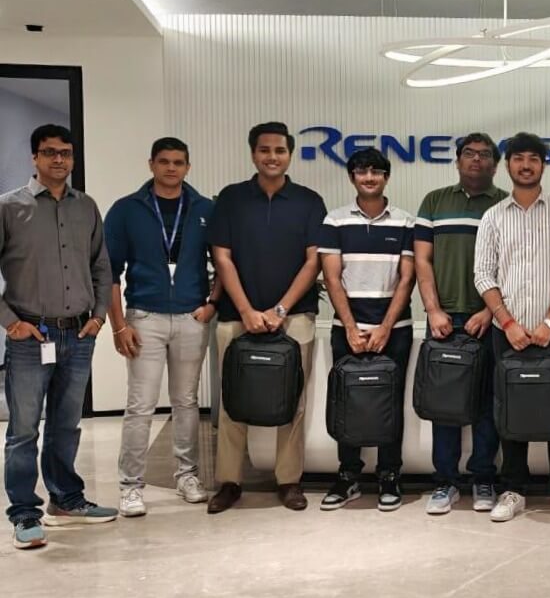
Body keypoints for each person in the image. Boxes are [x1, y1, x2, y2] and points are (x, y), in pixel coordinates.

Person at [1, 124, 117, 550]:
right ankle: (24, 513)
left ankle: (66, 500)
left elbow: (101, 266)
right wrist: (10, 322)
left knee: (66, 425)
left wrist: (99, 316)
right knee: (24, 430)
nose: (58, 160)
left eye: (65, 153)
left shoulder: (86, 206)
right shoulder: (9, 208)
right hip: (30, 337)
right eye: (49, 152)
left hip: (78, 335)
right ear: (34, 157)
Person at [206, 121, 327, 513]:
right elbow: (221, 257)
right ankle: (229, 481)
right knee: (231, 399)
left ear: (289, 154)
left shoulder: (309, 201)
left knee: (293, 399)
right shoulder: (231, 198)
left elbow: (314, 261)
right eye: (264, 150)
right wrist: (246, 310)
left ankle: (289, 480)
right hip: (235, 317)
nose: (272, 157)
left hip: (294, 317)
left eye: (279, 150)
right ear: (253, 153)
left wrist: (280, 309)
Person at [473, 132, 550, 524]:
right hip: (507, 332)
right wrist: (507, 322)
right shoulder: (493, 217)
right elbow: (483, 275)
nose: (525, 165)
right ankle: (513, 489)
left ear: (543, 164)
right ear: (507, 165)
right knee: (510, 409)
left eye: (533, 159)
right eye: (518, 158)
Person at [104, 137, 219, 517]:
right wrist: (119, 325)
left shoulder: (205, 209)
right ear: (151, 164)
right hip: (145, 318)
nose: (171, 168)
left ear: (188, 167)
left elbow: (224, 261)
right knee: (141, 406)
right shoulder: (126, 210)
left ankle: (187, 476)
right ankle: (130, 487)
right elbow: (108, 273)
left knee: (186, 402)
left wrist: (212, 304)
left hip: (191, 317)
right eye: (164, 161)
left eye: (178, 162)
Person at [317, 148, 415, 512]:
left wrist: (385, 327)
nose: (369, 177)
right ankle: (348, 476)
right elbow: (331, 277)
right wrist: (351, 328)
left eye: (376, 171)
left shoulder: (405, 222)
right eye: (362, 171)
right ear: (352, 177)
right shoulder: (335, 220)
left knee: (390, 403)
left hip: (395, 330)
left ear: (386, 177)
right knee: (348, 402)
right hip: (348, 331)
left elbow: (407, 279)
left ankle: (389, 474)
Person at [414, 133, 507, 515]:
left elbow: (513, 265)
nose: (476, 160)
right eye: (469, 153)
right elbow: (422, 261)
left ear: (495, 165)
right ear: (457, 160)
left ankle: (483, 476)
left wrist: (491, 312)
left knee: (488, 402)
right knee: (445, 403)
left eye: (485, 155)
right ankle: (446, 481)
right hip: (444, 318)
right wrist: (433, 310)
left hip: (490, 318)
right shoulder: (434, 202)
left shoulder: (505, 205)